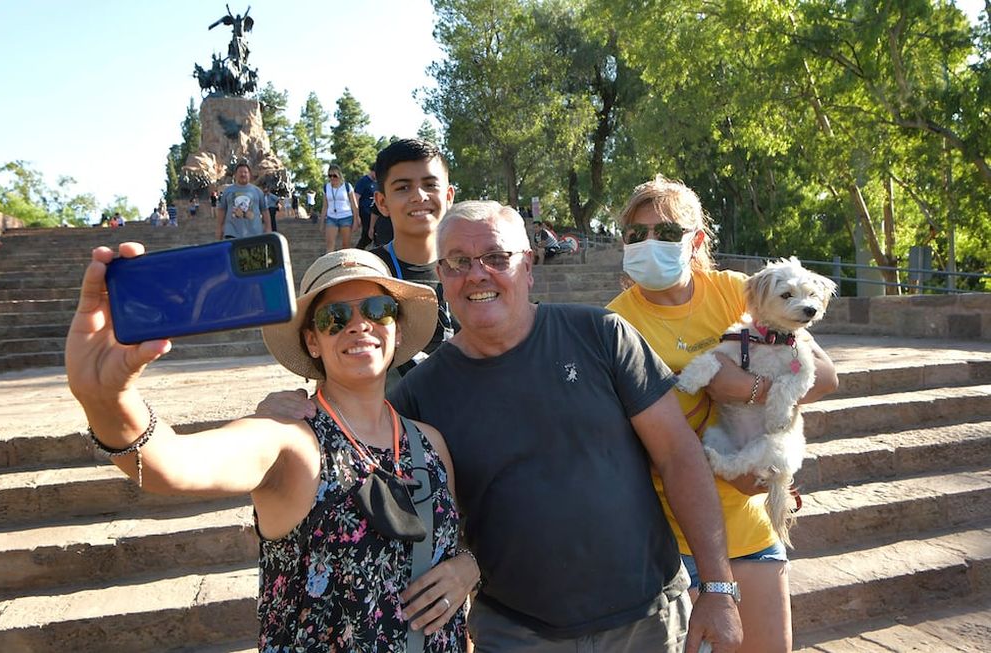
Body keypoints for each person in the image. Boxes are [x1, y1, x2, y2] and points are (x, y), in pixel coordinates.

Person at [259, 202, 744, 652]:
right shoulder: (418, 396)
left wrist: (718, 587)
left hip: (648, 622)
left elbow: (679, 456)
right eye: (457, 262)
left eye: (495, 256)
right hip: (515, 633)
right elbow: (390, 507)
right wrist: (288, 413)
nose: (477, 274)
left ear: (528, 266)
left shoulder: (601, 334)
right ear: (443, 279)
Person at [66, 246, 477, 652]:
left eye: (377, 309)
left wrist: (468, 568)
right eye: (334, 317)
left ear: (397, 330)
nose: (359, 326)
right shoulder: (291, 438)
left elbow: (455, 544)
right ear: (312, 342)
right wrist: (107, 397)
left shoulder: (429, 444)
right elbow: (170, 463)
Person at [606, 175, 839, 653]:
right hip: (677, 534)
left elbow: (826, 376)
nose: (650, 243)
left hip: (752, 519)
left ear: (697, 240)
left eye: (668, 232)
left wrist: (749, 389)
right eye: (636, 233)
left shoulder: (738, 291)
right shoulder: (614, 322)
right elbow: (626, 439)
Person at [369, 138, 457, 382]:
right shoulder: (363, 274)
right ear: (382, 203)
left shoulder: (474, 268)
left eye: (430, 185)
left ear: (449, 196)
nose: (419, 196)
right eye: (403, 187)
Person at [216, 161, 271, 240]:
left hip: (255, 233)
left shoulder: (257, 191)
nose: (243, 174)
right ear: (235, 175)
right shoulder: (227, 191)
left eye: (245, 172)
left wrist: (268, 228)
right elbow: (222, 210)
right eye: (240, 172)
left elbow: (265, 210)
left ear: (249, 175)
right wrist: (219, 228)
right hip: (232, 233)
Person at [322, 166, 359, 253]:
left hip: (346, 216)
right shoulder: (326, 187)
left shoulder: (347, 186)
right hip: (331, 217)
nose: (332, 178)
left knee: (345, 245)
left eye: (334, 175)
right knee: (329, 245)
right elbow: (325, 205)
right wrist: (322, 221)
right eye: (329, 176)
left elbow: (354, 204)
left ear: (339, 175)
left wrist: (356, 220)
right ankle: (329, 264)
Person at [354, 165, 378, 249]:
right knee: (367, 235)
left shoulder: (377, 183)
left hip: (375, 212)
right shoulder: (363, 181)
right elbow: (356, 198)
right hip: (365, 212)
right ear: (372, 171)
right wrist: (356, 215)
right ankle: (358, 250)